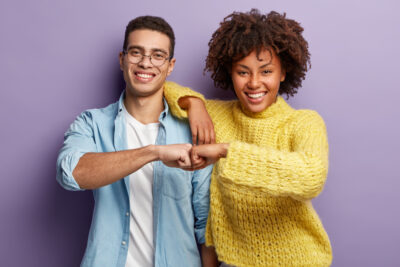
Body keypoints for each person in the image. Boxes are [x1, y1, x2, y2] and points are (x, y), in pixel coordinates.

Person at [163, 9, 332, 267]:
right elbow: (163, 87)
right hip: (234, 262)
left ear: (283, 73)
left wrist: (226, 151)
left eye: (266, 72)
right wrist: (194, 103)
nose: (254, 83)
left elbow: (311, 177)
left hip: (299, 260)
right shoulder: (218, 115)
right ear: (230, 73)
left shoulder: (303, 122)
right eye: (243, 72)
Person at [56, 16, 215, 267]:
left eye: (157, 55)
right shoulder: (92, 123)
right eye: (136, 52)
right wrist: (154, 152)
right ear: (122, 59)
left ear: (170, 65)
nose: (145, 63)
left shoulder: (192, 132)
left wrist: (194, 102)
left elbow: (206, 225)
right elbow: (71, 173)